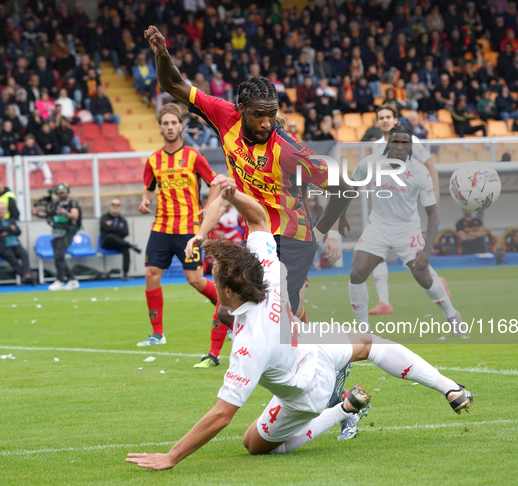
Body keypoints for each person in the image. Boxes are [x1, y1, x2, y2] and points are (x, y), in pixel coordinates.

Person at [126, 175, 473, 470]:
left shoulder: (250, 344)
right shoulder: (267, 270)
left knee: (253, 445)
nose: (212, 281)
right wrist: (233, 195)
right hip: (313, 343)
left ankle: (340, 410)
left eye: (216, 280)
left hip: (307, 389)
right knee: (369, 343)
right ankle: (451, 388)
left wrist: (171, 457)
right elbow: (260, 219)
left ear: (231, 290)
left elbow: (222, 415)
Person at [145, 25, 347, 368]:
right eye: (259, 114)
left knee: (278, 319)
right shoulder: (223, 116)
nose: (267, 123)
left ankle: (325, 371)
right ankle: (321, 359)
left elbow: (345, 188)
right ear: (240, 109)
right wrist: (162, 54)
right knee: (231, 313)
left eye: (272, 114)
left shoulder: (288, 152)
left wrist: (326, 230)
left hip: (291, 238)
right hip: (258, 232)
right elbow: (173, 84)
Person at [344, 125, 462, 336]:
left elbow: (433, 214)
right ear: (389, 142)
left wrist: (427, 250)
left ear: (411, 146)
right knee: (357, 272)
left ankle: (451, 313)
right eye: (396, 141)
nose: (400, 146)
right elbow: (351, 187)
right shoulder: (371, 163)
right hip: (378, 227)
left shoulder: (419, 172)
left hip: (407, 230)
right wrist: (341, 214)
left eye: (405, 143)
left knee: (424, 279)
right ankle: (364, 330)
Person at [137, 103, 220, 347]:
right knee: (151, 275)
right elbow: (148, 191)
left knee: (195, 279)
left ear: (181, 126)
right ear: (161, 127)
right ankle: (157, 334)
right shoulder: (153, 160)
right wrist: (144, 202)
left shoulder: (193, 156)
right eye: (166, 123)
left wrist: (209, 206)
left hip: (188, 228)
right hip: (161, 227)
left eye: (174, 123)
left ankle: (228, 315)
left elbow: (214, 182)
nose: (170, 127)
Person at [366, 104, 439, 316]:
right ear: (378, 122)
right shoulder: (377, 146)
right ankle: (384, 302)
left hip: (405, 209)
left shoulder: (412, 141)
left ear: (396, 119)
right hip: (383, 209)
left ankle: (436, 282)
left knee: (412, 259)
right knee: (375, 254)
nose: (385, 120)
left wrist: (434, 195)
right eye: (381, 117)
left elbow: (430, 167)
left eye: (389, 116)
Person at [32, 182, 81, 291]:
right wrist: (36, 212)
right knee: (59, 257)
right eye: (59, 192)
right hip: (56, 232)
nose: (61, 194)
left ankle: (60, 279)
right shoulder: (55, 204)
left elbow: (75, 215)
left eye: (63, 192)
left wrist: (64, 212)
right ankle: (72, 279)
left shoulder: (71, 203)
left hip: (67, 232)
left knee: (59, 256)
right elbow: (48, 215)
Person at [0, 202, 33, 284]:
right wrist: (10, 228)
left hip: (15, 244)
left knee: (24, 254)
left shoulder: (11, 220)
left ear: (6, 210)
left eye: (2, 209)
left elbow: (18, 231)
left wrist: (4, 231)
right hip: (2, 247)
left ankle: (26, 274)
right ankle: (26, 276)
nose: (1, 211)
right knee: (12, 259)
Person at [100, 199, 141, 280]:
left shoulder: (123, 220)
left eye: (117, 205)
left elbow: (125, 232)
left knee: (125, 248)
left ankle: (125, 274)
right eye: (113, 204)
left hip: (119, 243)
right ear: (110, 206)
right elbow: (106, 230)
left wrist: (113, 229)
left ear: (120, 207)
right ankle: (131, 246)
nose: (115, 206)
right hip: (107, 243)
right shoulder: (104, 218)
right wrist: (118, 229)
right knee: (110, 236)